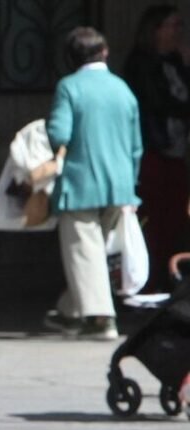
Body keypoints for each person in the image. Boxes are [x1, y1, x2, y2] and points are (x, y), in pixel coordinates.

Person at [43, 27, 143, 340]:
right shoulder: (123, 89)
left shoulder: (69, 87)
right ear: (105, 53)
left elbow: (59, 133)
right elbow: (136, 146)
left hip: (81, 183)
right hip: (119, 185)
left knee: (83, 251)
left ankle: (101, 319)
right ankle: (69, 311)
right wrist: (131, 185)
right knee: (92, 252)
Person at [124, 5, 190, 293]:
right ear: (156, 30)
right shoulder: (142, 63)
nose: (178, 32)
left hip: (177, 149)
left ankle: (169, 276)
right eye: (172, 25)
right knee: (154, 217)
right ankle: (149, 281)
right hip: (154, 149)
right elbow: (157, 104)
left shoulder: (176, 62)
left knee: (175, 215)